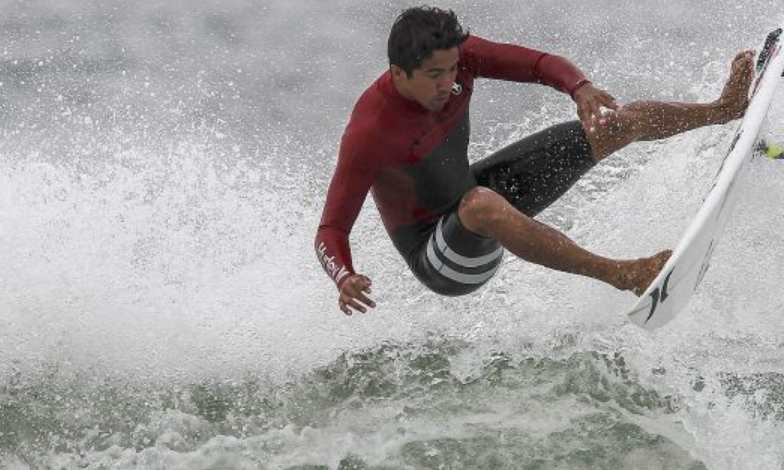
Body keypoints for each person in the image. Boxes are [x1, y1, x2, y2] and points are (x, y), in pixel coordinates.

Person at [315, 6, 754, 315]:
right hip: (442, 259)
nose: (449, 82)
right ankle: (623, 274)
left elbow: (539, 63)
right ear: (398, 72)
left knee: (614, 123)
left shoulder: (458, 60)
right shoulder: (369, 131)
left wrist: (578, 87)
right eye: (435, 75)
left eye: (452, 70)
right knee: (480, 204)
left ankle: (722, 110)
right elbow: (331, 229)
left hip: (475, 197)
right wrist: (343, 277)